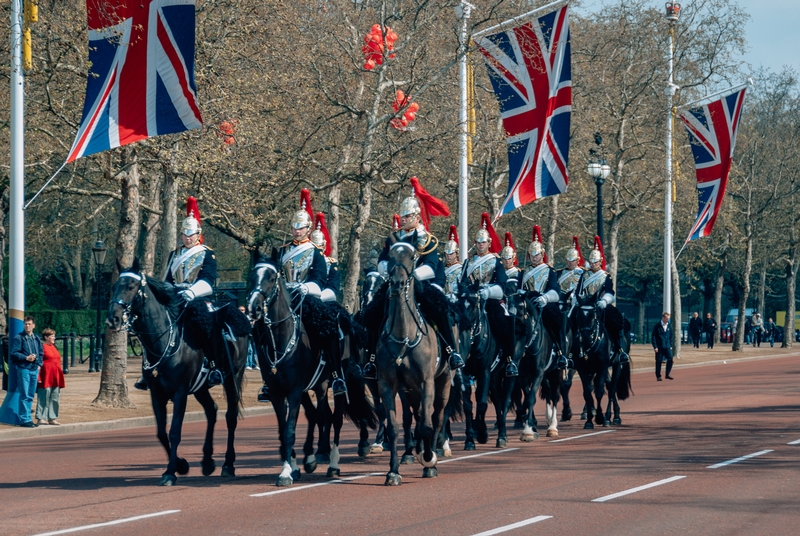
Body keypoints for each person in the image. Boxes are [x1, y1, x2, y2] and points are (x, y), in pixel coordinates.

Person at [261, 189, 347, 398]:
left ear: (308, 229)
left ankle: (336, 374)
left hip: (306, 298)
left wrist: (304, 287)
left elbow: (318, 279)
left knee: (327, 327)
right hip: (284, 297)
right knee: (262, 326)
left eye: (300, 228)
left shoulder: (316, 252)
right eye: (294, 227)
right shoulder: (282, 250)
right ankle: (267, 379)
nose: (297, 231)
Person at [135, 197, 219, 391]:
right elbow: (167, 281)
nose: (187, 237)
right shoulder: (175, 254)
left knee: (207, 327)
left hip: (197, 298)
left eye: (191, 234)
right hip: (175, 299)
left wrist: (191, 292)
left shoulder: (207, 253)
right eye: (184, 234)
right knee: (153, 326)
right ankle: (149, 367)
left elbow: (208, 280)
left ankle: (213, 365)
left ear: (198, 234)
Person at [460, 213, 516, 376]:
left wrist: (488, 291)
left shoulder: (496, 261)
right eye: (478, 242)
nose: (480, 245)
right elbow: (463, 283)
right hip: (471, 301)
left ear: (489, 243)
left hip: (491, 300)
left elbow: (502, 285)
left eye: (483, 242)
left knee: (505, 321)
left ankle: (509, 359)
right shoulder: (468, 262)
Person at [572, 236, 630, 365]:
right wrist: (577, 300)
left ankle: (620, 350)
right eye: (591, 262)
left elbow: (610, 292)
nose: (593, 264)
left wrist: (604, 301)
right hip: (585, 305)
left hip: (600, 305)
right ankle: (569, 354)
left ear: (600, 262)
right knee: (570, 322)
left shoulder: (605, 276)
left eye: (596, 262)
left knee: (616, 321)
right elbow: (579, 291)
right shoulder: (584, 275)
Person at [520, 226, 567, 369]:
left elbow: (555, 291)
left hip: (543, 304)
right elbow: (519, 289)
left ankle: (561, 353)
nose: (534, 257)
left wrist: (545, 298)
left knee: (556, 322)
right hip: (527, 305)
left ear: (542, 254)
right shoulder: (523, 271)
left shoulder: (549, 271)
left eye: (537, 254)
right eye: (532, 255)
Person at [9, 317, 44, 427]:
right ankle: (24, 419)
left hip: (34, 369)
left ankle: (28, 418)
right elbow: (13, 353)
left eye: (29, 324)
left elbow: (41, 353)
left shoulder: (36, 338)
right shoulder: (19, 338)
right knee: (24, 394)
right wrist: (25, 358)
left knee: (30, 394)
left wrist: (39, 364)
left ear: (34, 325)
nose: (27, 326)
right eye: (25, 324)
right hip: (24, 368)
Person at [36, 329, 65, 425]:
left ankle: (52, 417)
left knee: (55, 397)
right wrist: (38, 376)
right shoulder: (42, 347)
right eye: (52, 336)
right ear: (46, 337)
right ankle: (41, 417)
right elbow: (39, 361)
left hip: (55, 376)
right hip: (46, 375)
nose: (54, 338)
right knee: (44, 396)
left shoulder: (53, 347)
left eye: (54, 336)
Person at [443, 225, 463, 301]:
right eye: (447, 254)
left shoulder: (461, 269)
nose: (448, 256)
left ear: (456, 254)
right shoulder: (441, 269)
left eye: (451, 254)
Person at [652, 312, 674, 381]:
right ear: (663, 318)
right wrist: (655, 346)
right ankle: (658, 376)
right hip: (659, 346)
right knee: (658, 361)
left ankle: (667, 374)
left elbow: (671, 336)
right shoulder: (657, 326)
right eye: (667, 319)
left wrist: (670, 345)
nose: (668, 320)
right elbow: (653, 337)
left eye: (668, 319)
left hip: (667, 346)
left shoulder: (669, 326)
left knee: (670, 359)